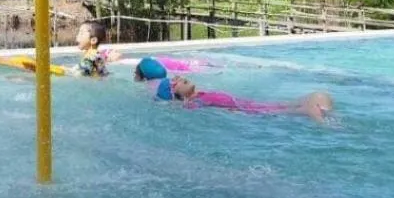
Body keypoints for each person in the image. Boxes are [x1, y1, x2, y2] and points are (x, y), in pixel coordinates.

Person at [137, 62, 333, 123]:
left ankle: (322, 114)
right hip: (252, 111)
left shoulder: (199, 96)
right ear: (176, 95)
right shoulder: (192, 104)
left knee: (319, 96)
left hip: (252, 105)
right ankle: (319, 116)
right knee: (309, 106)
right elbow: (180, 110)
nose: (178, 78)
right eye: (174, 82)